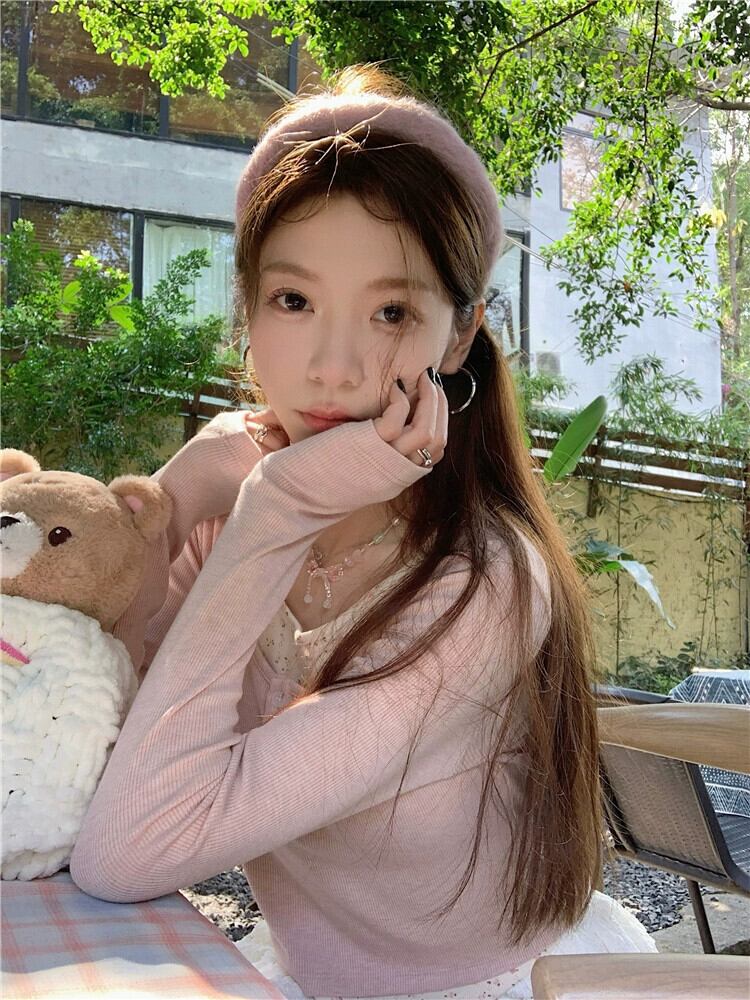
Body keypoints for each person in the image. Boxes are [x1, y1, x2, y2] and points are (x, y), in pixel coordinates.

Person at [70, 64, 656, 999]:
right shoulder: (231, 514)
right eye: (293, 301)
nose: (333, 369)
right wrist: (173, 504)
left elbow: (129, 848)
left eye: (390, 312)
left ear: (457, 337)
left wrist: (278, 509)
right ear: (248, 309)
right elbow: (66, 730)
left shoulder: (489, 585)